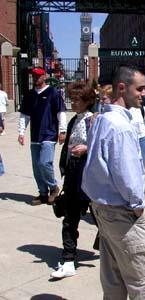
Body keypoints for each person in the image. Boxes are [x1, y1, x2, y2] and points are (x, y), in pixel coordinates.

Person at [82, 66, 145, 300]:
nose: (144, 93)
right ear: (121, 87)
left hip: (103, 210)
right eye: (140, 88)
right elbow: (126, 174)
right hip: (121, 213)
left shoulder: (102, 120)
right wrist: (137, 204)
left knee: (114, 278)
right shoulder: (120, 126)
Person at [51, 82, 95, 279]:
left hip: (89, 174)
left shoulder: (93, 120)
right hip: (72, 173)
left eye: (78, 99)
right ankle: (68, 259)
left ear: (87, 101)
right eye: (72, 99)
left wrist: (87, 148)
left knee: (102, 217)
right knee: (70, 218)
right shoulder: (73, 120)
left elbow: (103, 145)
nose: (74, 102)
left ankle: (116, 252)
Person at [18, 67, 67, 205]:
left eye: (38, 75)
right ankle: (43, 193)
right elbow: (25, 115)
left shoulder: (53, 93)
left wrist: (62, 131)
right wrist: (21, 132)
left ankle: (53, 187)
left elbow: (61, 112)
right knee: (36, 167)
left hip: (49, 134)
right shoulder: (29, 95)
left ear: (45, 76)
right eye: (33, 76)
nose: (35, 78)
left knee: (44, 163)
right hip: (35, 136)